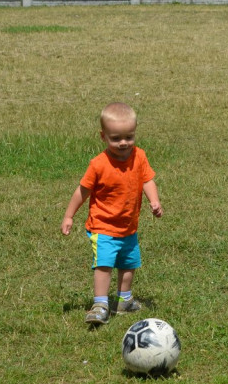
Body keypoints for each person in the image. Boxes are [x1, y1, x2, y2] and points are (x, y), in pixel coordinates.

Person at [61, 102, 163, 324]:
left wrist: (154, 201)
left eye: (129, 136)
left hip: (128, 227)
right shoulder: (98, 164)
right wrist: (69, 215)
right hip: (103, 226)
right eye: (116, 138)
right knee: (104, 264)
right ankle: (100, 304)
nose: (123, 143)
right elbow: (82, 191)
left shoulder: (140, 156)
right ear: (103, 136)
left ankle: (124, 300)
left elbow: (147, 180)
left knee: (129, 264)